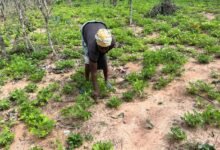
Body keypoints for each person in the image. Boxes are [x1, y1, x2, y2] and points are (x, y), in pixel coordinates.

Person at [81, 21, 115, 99]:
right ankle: (86, 80)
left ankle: (106, 81)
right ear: (97, 43)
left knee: (103, 59)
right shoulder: (92, 47)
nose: (104, 50)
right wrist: (96, 90)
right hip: (86, 28)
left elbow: (104, 52)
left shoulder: (111, 42)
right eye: (101, 48)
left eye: (106, 48)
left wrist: (102, 54)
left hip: (101, 24)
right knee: (88, 61)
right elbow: (94, 72)